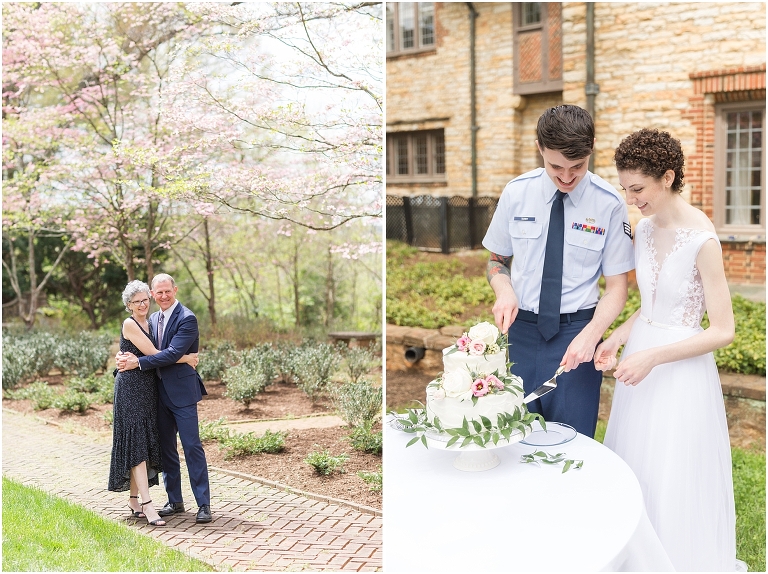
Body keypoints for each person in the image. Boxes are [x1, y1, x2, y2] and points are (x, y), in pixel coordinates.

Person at [594, 128, 738, 570]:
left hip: (679, 369)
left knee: (673, 471)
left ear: (668, 177)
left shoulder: (703, 240)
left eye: (638, 189)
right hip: (640, 357)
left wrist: (653, 356)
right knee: (636, 463)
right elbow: (652, 303)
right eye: (625, 189)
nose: (631, 199)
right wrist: (619, 335)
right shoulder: (644, 228)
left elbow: (723, 330)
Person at [482, 105, 634, 438]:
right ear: (540, 148)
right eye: (556, 167)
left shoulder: (609, 203)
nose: (566, 177)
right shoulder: (516, 193)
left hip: (577, 337)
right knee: (511, 439)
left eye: (577, 167)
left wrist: (592, 336)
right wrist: (504, 290)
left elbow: (617, 289)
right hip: (519, 335)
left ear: (591, 148)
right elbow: (496, 260)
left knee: (573, 442)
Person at [116, 273, 212, 524]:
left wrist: (138, 362)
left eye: (167, 291)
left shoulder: (187, 319)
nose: (163, 296)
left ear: (175, 290)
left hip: (182, 393)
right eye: (158, 293)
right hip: (156, 394)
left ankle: (203, 504)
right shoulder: (153, 318)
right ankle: (175, 500)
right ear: (153, 295)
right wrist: (124, 356)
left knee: (191, 447)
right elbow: (142, 345)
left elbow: (171, 354)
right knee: (167, 449)